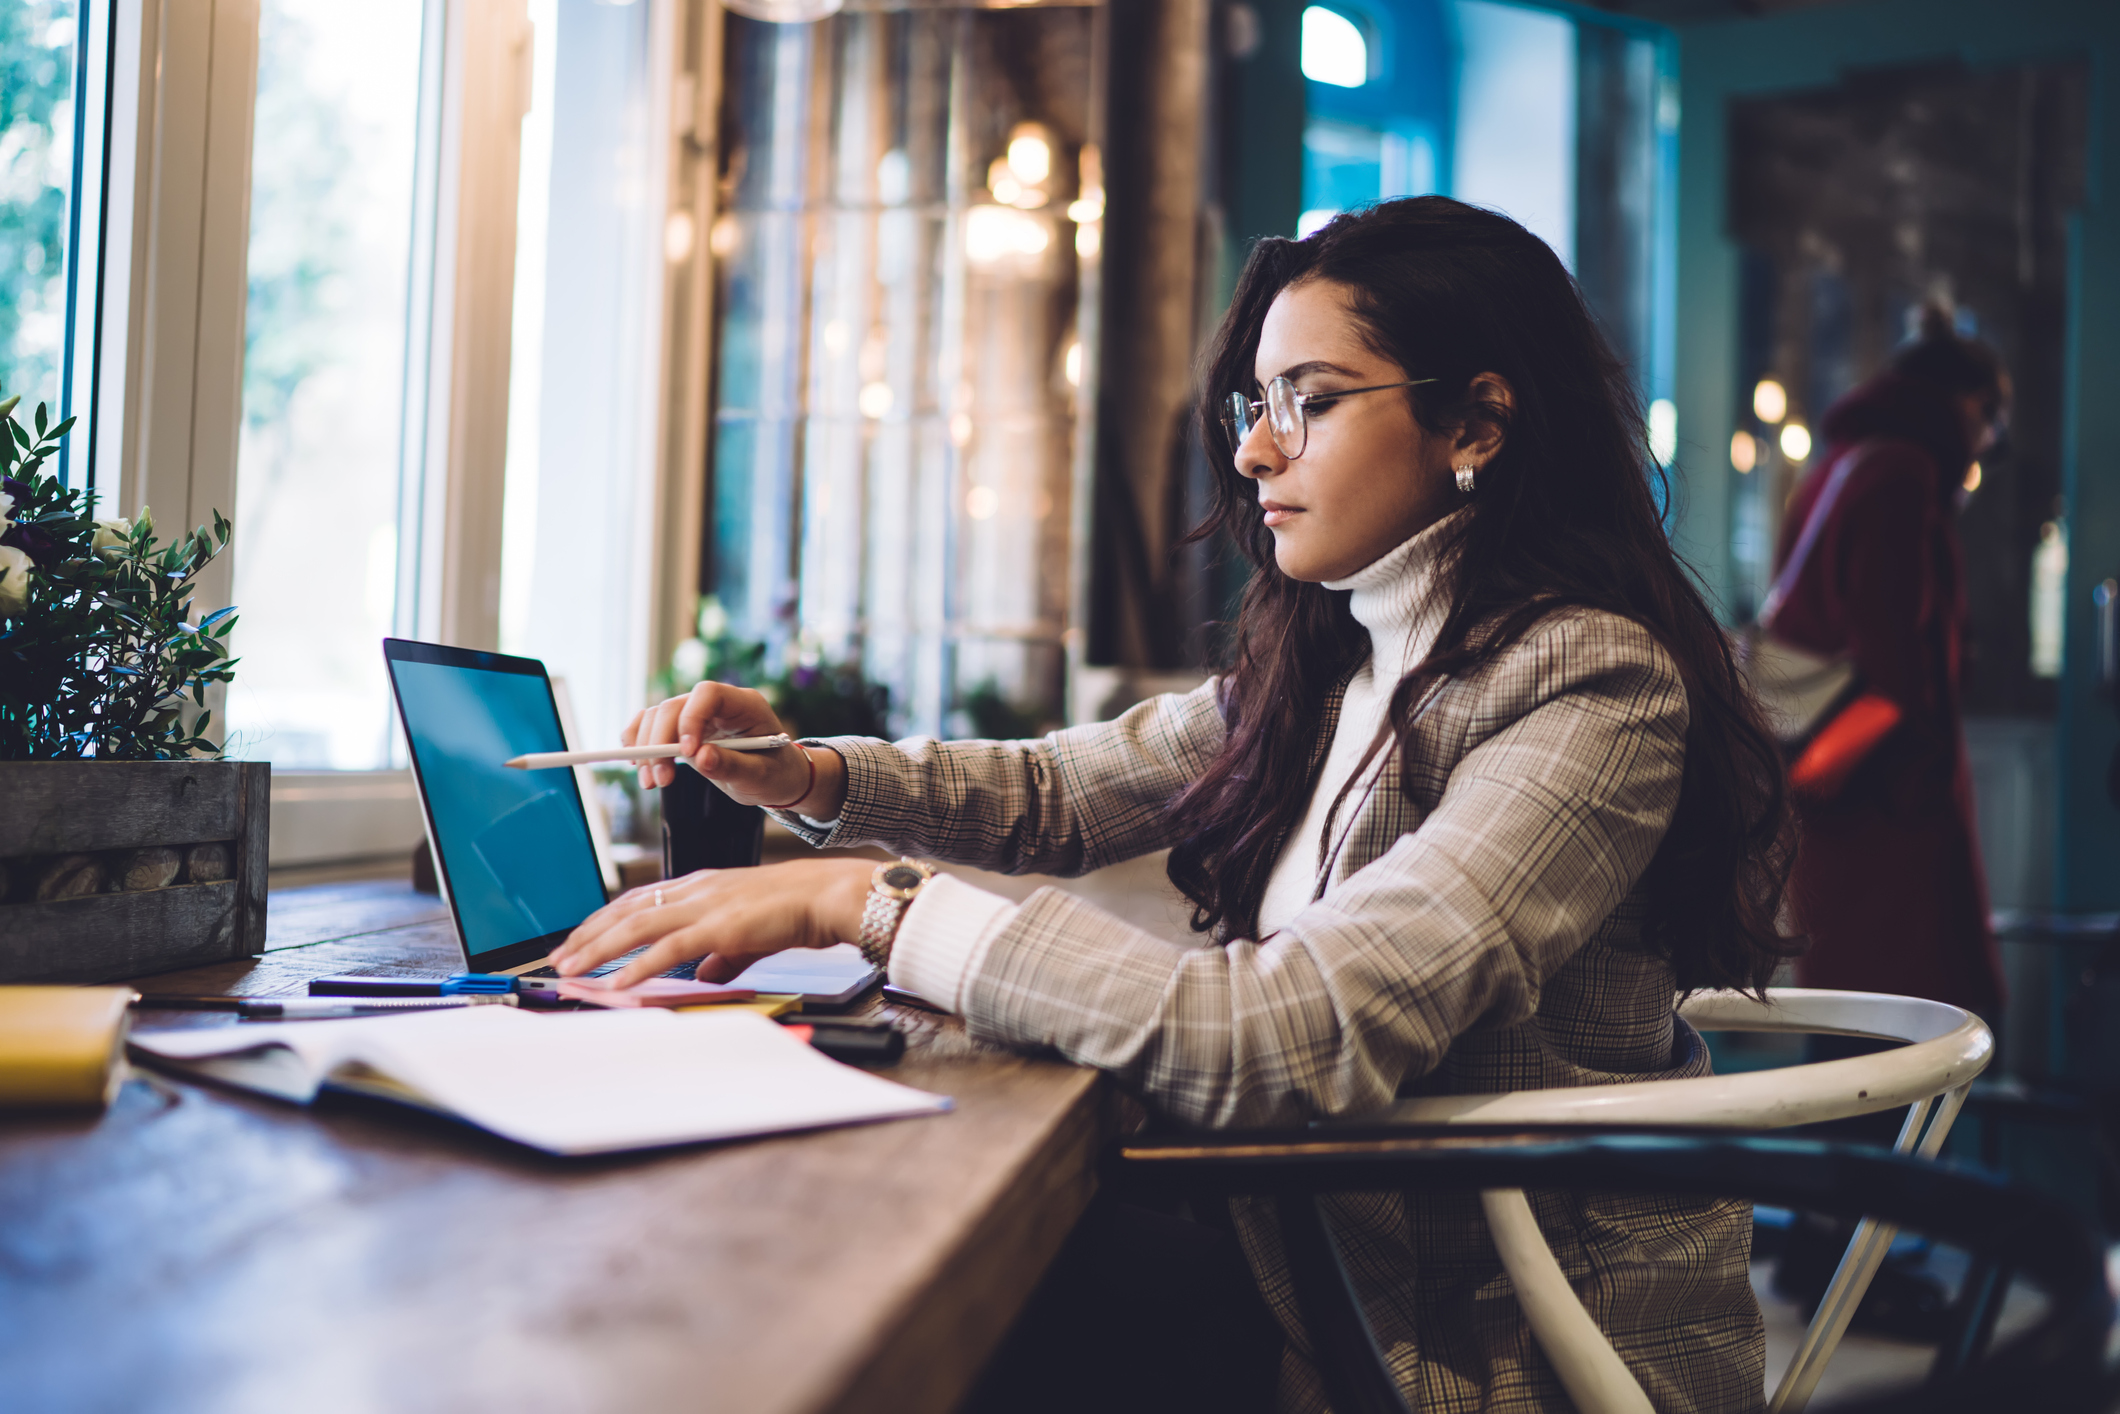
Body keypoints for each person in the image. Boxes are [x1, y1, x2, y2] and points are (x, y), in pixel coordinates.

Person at [550, 196, 1795, 1414]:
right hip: (1314, 1259)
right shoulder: (1338, 661)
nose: (1255, 447)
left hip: (1476, 1344)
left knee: (873, 1285)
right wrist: (806, 773)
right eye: (1259, 404)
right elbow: (1054, 794)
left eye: (1310, 401)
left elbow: (1288, 1036)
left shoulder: (1594, 688)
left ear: (1473, 422)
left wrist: (861, 903)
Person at [1772, 308, 2009, 1021]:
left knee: (1849, 1026)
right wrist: (1921, 784)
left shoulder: (1837, 466)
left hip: (1839, 811)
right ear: (1966, 404)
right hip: (1887, 822)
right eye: (1992, 422)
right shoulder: (1901, 477)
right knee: (1901, 1042)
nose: (1987, 445)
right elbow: (1900, 667)